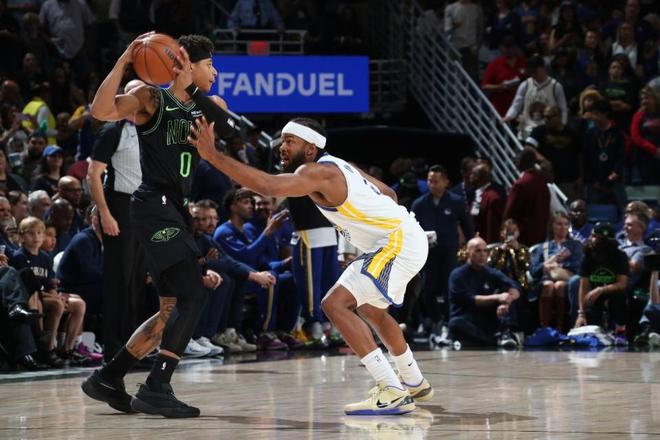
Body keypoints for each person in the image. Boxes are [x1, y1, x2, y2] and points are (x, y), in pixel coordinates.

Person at [189, 116, 433, 415]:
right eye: (282, 141)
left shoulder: (315, 171)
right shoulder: (342, 165)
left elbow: (268, 185)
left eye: (290, 141)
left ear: (310, 148)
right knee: (372, 311)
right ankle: (413, 380)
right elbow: (390, 194)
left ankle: (391, 389)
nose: (282, 147)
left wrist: (213, 156)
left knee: (335, 304)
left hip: (395, 242)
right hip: (404, 237)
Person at [81, 33, 232, 418]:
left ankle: (108, 376)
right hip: (153, 205)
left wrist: (190, 90)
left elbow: (228, 130)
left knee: (170, 309)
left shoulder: (209, 105)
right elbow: (101, 111)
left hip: (177, 209)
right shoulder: (151, 98)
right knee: (192, 295)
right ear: (185, 64)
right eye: (209, 64)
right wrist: (123, 62)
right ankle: (157, 386)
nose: (215, 72)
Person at [87, 79, 148, 363]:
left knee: (137, 281)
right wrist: (105, 213)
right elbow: (93, 175)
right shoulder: (113, 129)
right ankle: (113, 348)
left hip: (143, 208)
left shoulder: (148, 130)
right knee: (118, 281)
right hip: (119, 206)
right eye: (136, 93)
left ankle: (134, 349)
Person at [448, 237, 521, 347]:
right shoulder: (457, 275)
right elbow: (469, 300)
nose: (482, 254)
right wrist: (497, 297)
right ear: (468, 252)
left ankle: (507, 333)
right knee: (455, 324)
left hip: (487, 318)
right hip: (467, 318)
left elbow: (515, 286)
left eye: (485, 251)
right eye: (478, 251)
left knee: (507, 292)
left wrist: (507, 300)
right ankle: (493, 340)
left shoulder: (491, 272)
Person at [574, 222, 629, 345]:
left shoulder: (620, 256)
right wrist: (581, 314)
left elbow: (622, 284)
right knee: (594, 330)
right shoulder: (588, 255)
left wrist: (601, 289)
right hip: (594, 296)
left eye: (594, 236)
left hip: (613, 294)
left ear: (604, 240)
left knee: (619, 296)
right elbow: (584, 286)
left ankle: (620, 331)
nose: (590, 238)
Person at [529, 212, 583, 332]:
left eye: (566, 224)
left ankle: (560, 327)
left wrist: (561, 265)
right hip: (545, 280)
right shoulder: (542, 247)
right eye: (559, 224)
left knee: (559, 285)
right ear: (552, 226)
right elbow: (533, 271)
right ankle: (545, 328)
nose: (563, 227)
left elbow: (578, 266)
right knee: (548, 285)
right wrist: (548, 263)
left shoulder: (576, 245)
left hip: (567, 279)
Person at [503, 147, 550, 246]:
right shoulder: (543, 181)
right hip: (541, 235)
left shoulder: (521, 183)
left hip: (523, 238)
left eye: (517, 159)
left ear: (520, 161)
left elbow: (510, 212)